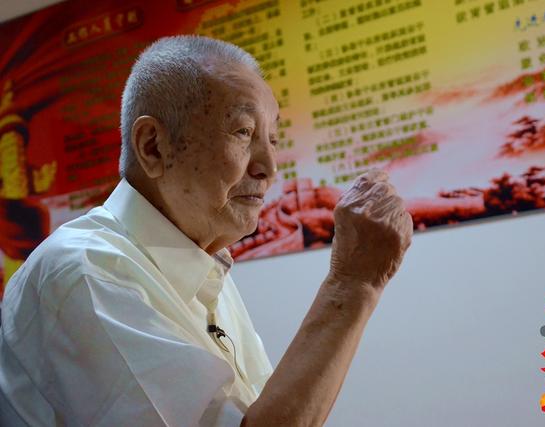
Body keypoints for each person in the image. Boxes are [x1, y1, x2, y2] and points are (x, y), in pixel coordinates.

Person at [0, 36, 413, 426]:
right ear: (153, 147)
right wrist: (351, 285)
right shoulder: (85, 270)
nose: (269, 167)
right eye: (244, 132)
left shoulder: (205, 269)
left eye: (272, 138)